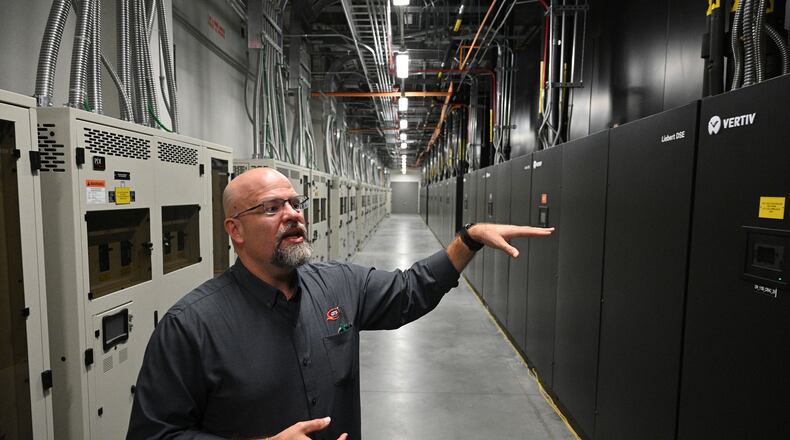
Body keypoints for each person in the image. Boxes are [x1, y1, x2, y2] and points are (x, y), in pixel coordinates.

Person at [127, 168, 553, 440]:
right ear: (234, 230)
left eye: (295, 203)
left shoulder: (338, 284)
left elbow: (411, 290)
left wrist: (469, 238)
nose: (293, 214)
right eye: (272, 208)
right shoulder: (191, 326)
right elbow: (154, 435)